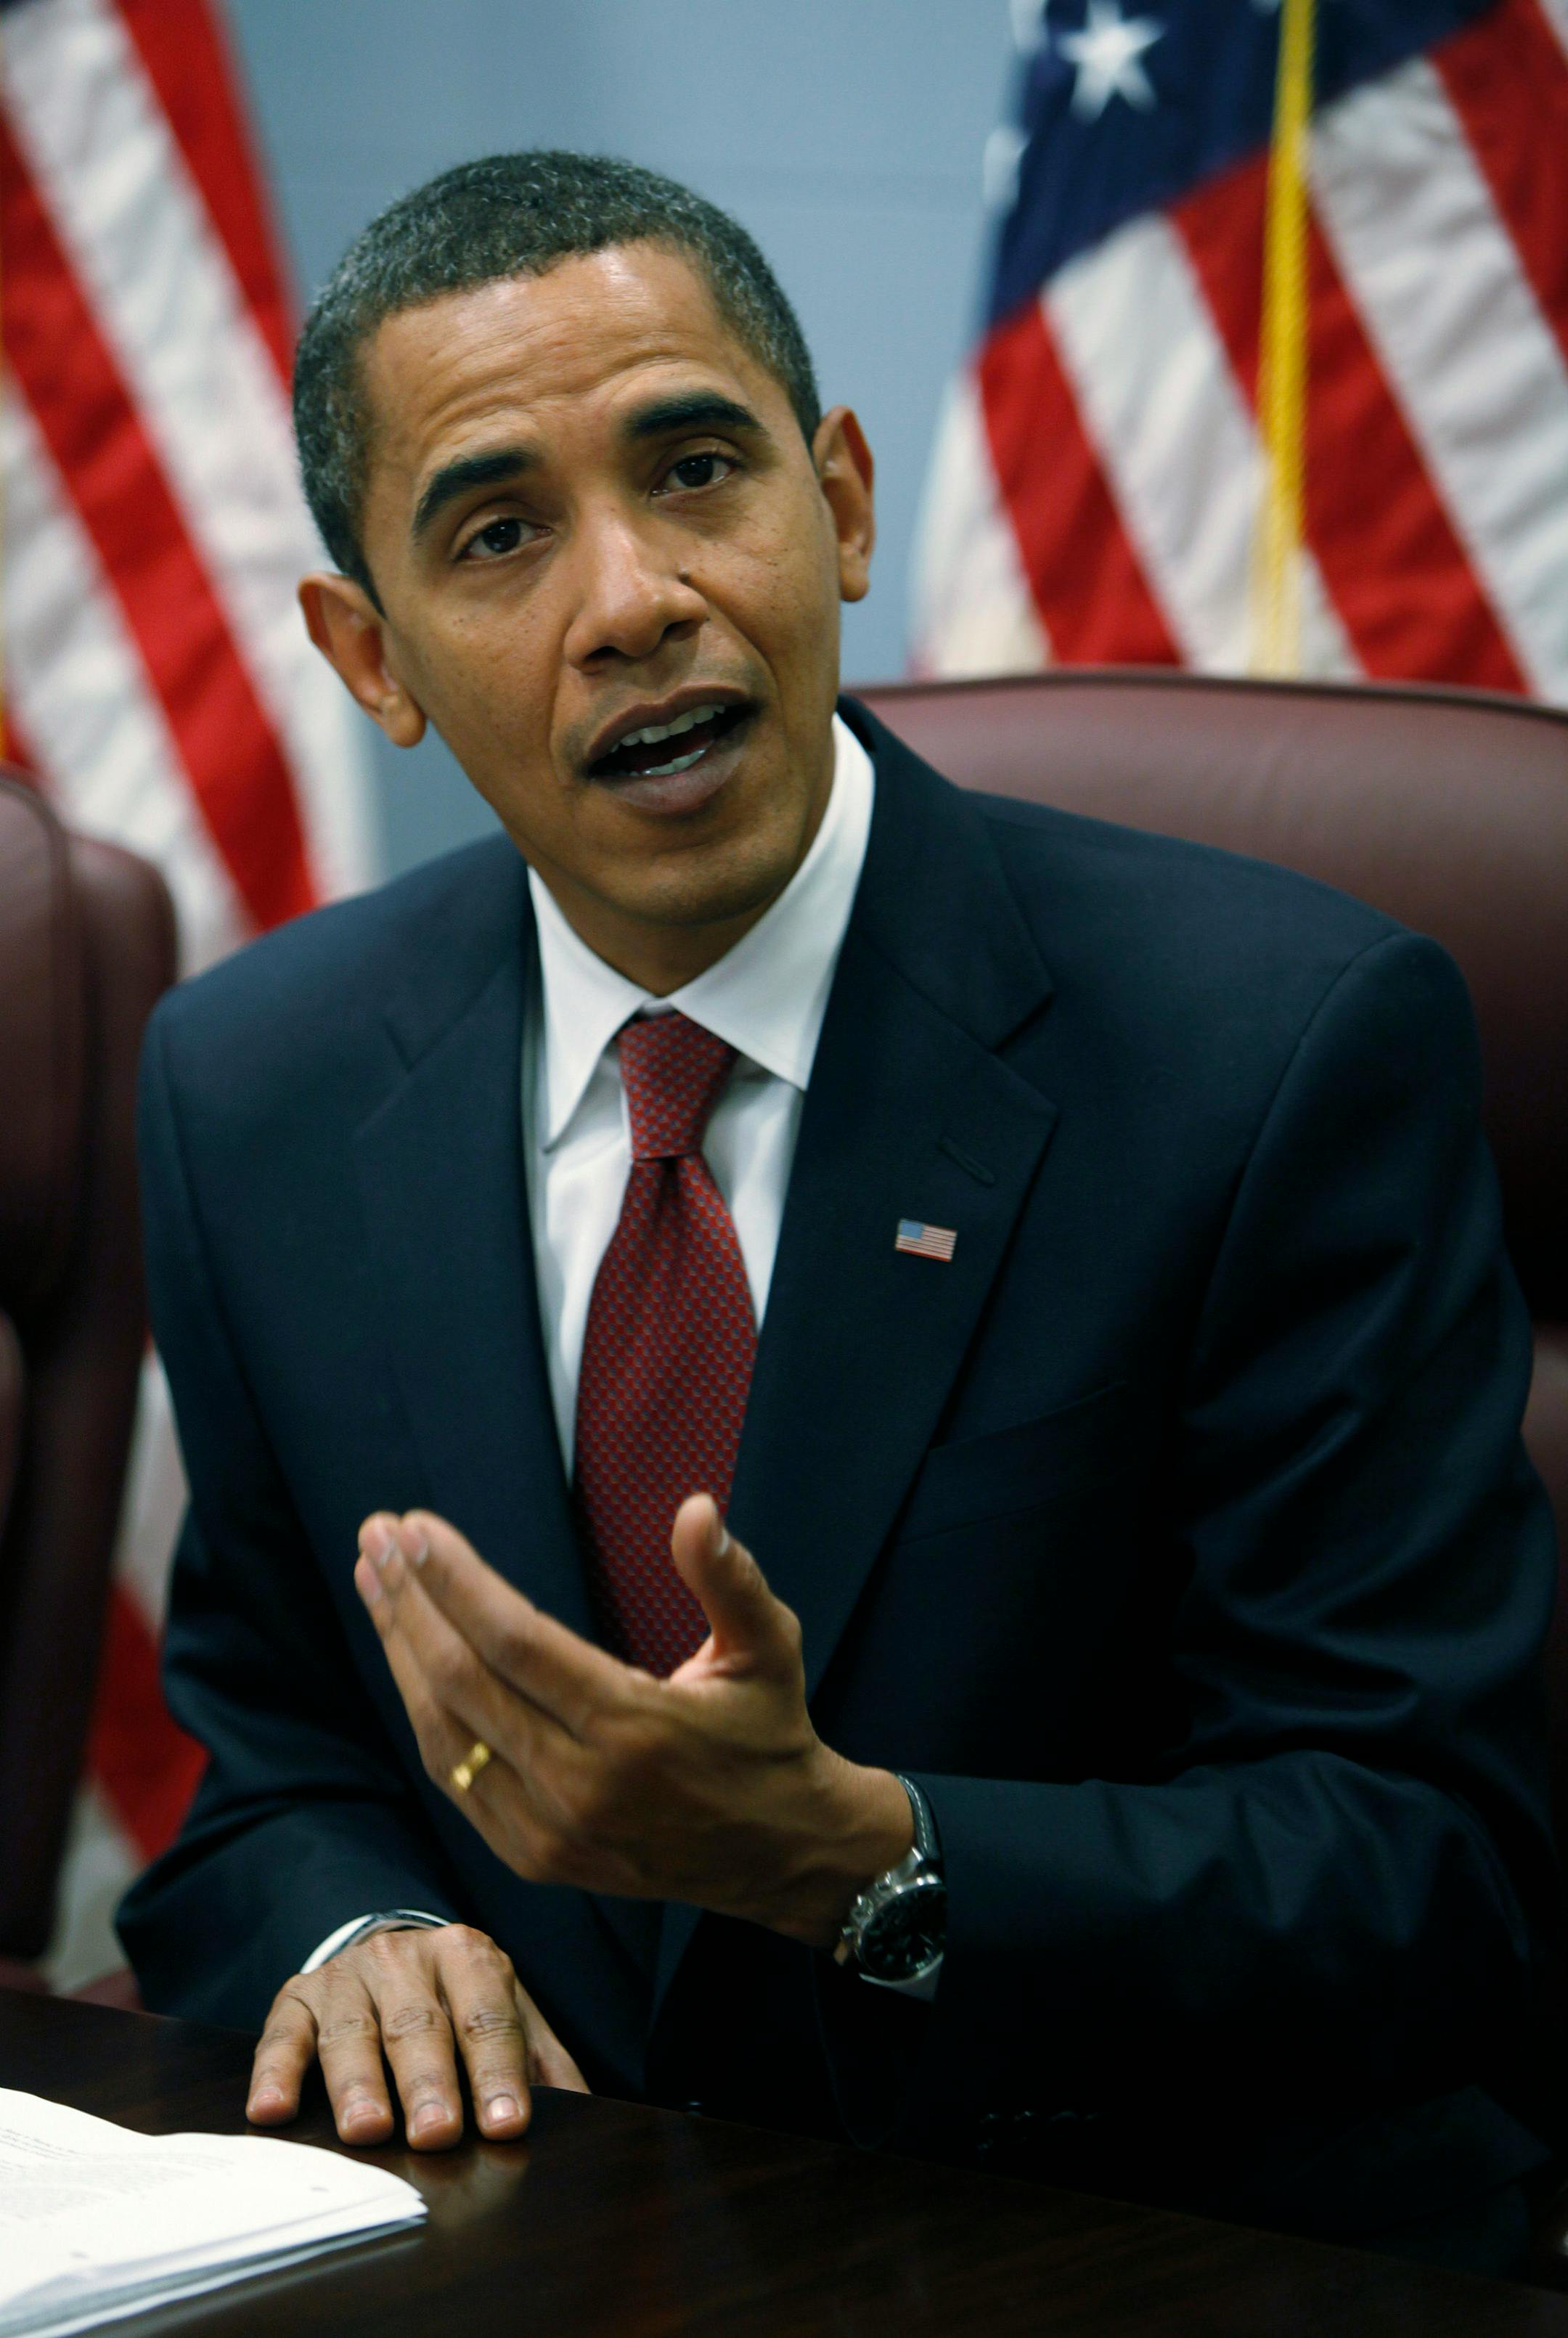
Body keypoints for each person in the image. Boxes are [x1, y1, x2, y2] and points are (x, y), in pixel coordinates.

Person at [118, 150, 1560, 2270]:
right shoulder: (252, 1086)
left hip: (1138, 2246)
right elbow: (267, 1752)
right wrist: (355, 1921)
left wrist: (864, 1858)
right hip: (548, 2245)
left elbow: (1423, 1870)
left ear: (846, 504)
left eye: (698, 469)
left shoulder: (1278, 1055)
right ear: (370, 653)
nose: (633, 598)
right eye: (500, 532)